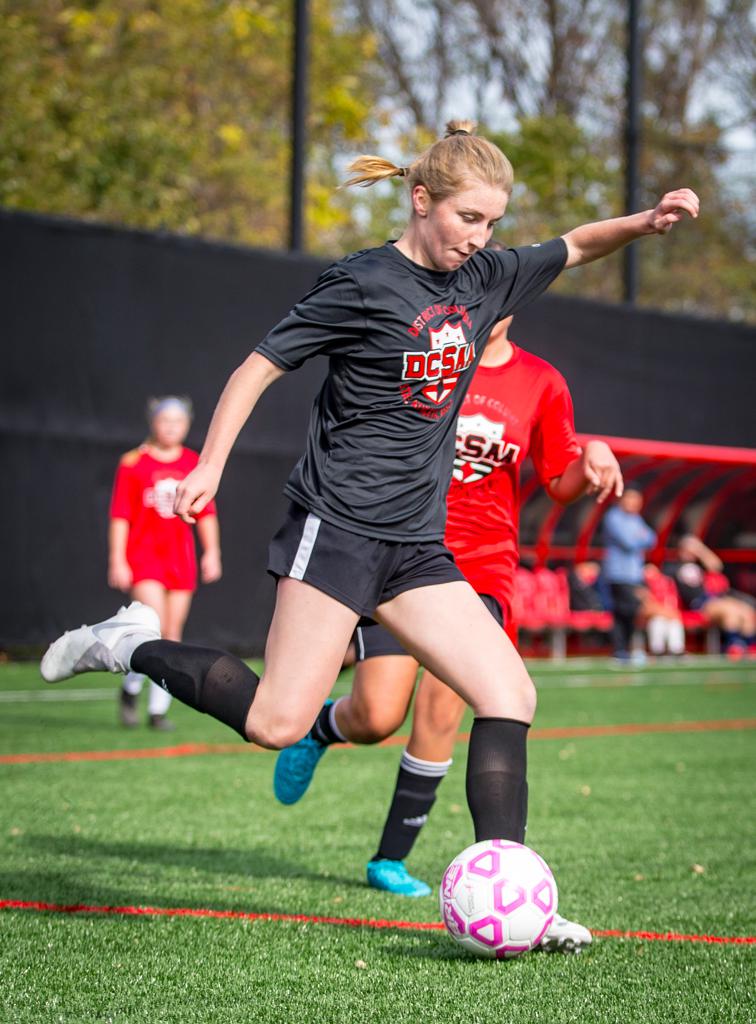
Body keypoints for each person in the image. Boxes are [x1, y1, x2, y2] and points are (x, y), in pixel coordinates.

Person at [40, 121, 698, 957]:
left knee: (511, 695)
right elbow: (256, 369)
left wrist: (644, 223)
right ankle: (130, 643)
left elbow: (571, 246)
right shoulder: (361, 283)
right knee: (277, 720)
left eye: (493, 223)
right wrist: (208, 466)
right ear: (421, 200)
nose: (482, 238)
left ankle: (518, 895)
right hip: (337, 531)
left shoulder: (488, 277)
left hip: (418, 548)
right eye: (468, 218)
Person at [273, 312, 623, 929]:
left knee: (443, 707)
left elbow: (559, 481)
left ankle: (390, 858)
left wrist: (591, 454)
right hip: (398, 549)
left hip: (483, 567)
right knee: (378, 714)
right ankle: (323, 729)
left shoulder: (541, 382)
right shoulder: (426, 359)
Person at [108, 396, 223, 729]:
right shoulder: (133, 463)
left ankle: (157, 709)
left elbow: (206, 513)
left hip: (179, 559)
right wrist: (118, 559)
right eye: (165, 420)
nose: (171, 427)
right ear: (153, 423)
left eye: (178, 421)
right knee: (151, 628)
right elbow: (120, 515)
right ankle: (131, 689)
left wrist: (211, 551)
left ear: (187, 425)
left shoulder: (194, 463)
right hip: (144, 557)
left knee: (172, 634)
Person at [673, 535, 755, 657]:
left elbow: (716, 565)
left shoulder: (699, 565)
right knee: (729, 611)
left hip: (713, 598)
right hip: (698, 603)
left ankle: (748, 646)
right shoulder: (673, 566)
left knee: (746, 611)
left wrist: (700, 549)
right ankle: (733, 645)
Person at [601, 487, 657, 663]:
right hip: (618, 574)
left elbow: (652, 539)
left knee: (631, 612)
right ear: (621, 499)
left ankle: (624, 649)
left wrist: (639, 537)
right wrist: (639, 536)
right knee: (624, 611)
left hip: (634, 575)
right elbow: (629, 542)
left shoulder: (636, 519)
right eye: (631, 498)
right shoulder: (613, 517)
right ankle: (620, 649)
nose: (634, 502)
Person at [638, 563, 686, 657]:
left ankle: (676, 651)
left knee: (674, 622)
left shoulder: (667, 583)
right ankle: (657, 651)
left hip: (666, 615)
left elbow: (673, 608)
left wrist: (666, 613)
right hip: (646, 618)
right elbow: (646, 609)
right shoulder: (641, 585)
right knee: (658, 620)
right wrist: (664, 612)